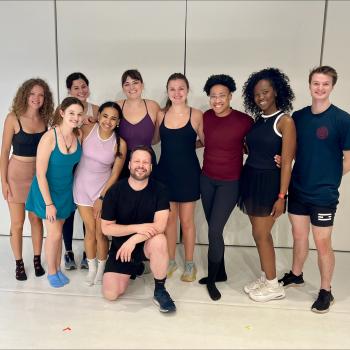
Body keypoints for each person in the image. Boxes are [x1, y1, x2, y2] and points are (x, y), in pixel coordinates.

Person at [278, 66, 350, 313]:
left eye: (325, 84)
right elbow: (296, 150)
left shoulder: (342, 119)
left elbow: (349, 158)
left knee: (322, 243)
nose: (320, 88)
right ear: (309, 86)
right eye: (316, 84)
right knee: (299, 236)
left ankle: (326, 291)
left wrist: (330, 177)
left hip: (323, 194)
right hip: (298, 188)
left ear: (332, 87)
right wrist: (284, 160)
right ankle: (296, 275)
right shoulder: (298, 117)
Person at [239, 67, 296, 302]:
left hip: (269, 184)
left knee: (263, 235)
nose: (261, 97)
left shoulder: (285, 122)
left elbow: (286, 163)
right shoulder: (258, 120)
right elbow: (256, 149)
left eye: (265, 92)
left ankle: (274, 286)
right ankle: (266, 277)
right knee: (257, 233)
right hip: (251, 179)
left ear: (276, 92)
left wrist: (282, 196)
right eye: (256, 94)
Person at [101, 145, 176, 313]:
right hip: (122, 249)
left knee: (160, 240)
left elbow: (160, 226)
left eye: (145, 162)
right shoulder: (115, 191)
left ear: (150, 167)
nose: (140, 165)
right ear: (129, 165)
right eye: (137, 161)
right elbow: (106, 228)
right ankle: (135, 267)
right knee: (111, 294)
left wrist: (134, 239)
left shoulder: (160, 190)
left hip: (144, 244)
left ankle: (160, 290)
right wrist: (137, 228)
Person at [198, 74, 254, 300]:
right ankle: (220, 272)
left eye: (222, 95)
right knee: (214, 228)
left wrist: (277, 157)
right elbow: (204, 141)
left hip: (230, 183)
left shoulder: (244, 121)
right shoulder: (206, 117)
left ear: (231, 96)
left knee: (214, 230)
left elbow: (254, 148)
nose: (217, 100)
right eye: (213, 96)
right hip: (207, 179)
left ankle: (212, 280)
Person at [26, 97, 83, 288]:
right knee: (55, 233)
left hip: (65, 190)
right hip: (46, 191)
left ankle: (57, 268)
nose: (75, 117)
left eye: (79, 114)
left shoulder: (78, 135)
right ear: (62, 113)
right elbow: (40, 174)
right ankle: (51, 272)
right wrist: (49, 204)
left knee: (57, 233)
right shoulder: (49, 138)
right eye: (71, 113)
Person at [0, 78, 54, 280]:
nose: (36, 98)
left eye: (41, 94)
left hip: (38, 176)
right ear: (25, 95)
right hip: (15, 176)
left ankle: (37, 260)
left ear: (45, 98)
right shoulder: (12, 118)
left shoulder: (45, 119)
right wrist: (3, 182)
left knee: (36, 219)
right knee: (17, 223)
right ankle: (19, 263)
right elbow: (4, 151)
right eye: (32, 93)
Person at [153, 73, 204, 282]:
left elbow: (206, 141)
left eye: (181, 88)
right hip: (165, 173)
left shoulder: (196, 114)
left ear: (187, 90)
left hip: (189, 173)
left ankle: (190, 264)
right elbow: (154, 139)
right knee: (170, 221)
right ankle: (171, 260)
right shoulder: (160, 115)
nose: (177, 93)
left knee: (187, 221)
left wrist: (186, 146)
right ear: (167, 91)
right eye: (172, 89)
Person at [73, 102, 126, 285]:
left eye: (113, 118)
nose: (108, 121)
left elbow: (115, 174)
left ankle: (102, 269)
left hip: (102, 191)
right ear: (99, 115)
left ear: (118, 122)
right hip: (81, 188)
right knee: (89, 231)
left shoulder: (120, 143)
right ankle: (92, 268)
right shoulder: (88, 129)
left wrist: (102, 197)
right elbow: (68, 130)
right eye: (105, 116)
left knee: (101, 233)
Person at [63, 72, 99, 270]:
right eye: (76, 87)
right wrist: (79, 122)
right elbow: (59, 135)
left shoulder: (97, 109)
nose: (81, 90)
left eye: (84, 86)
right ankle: (68, 252)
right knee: (69, 210)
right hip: (70, 166)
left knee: (90, 210)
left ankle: (88, 252)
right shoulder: (65, 111)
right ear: (69, 91)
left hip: (91, 167)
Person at [116, 69, 160, 179]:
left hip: (146, 159)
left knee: (148, 194)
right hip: (122, 161)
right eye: (127, 84)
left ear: (142, 85)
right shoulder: (117, 106)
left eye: (135, 82)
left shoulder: (153, 106)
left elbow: (156, 139)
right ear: (123, 88)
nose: (131, 87)